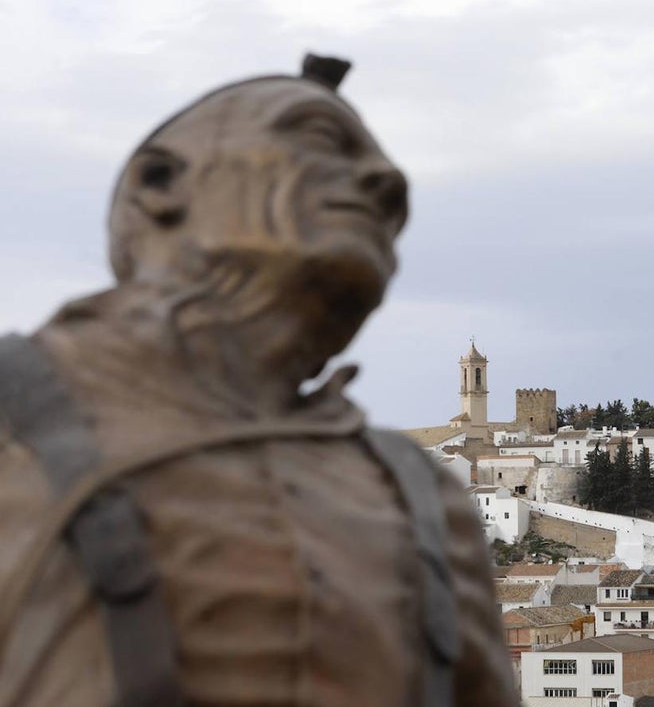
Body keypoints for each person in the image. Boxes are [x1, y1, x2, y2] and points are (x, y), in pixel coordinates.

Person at [0, 55, 519, 707]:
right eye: (323, 140)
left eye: (390, 185)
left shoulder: (425, 505)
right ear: (161, 183)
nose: (389, 182)